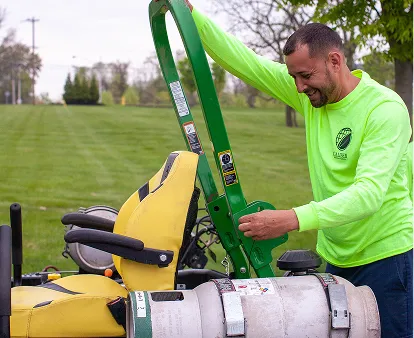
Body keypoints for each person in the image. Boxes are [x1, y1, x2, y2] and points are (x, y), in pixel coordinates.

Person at [161, 1, 413, 337]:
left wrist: (290, 219)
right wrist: (193, 19)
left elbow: (368, 195)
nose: (297, 87)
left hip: (387, 257)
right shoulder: (311, 97)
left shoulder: (383, 109)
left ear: (335, 61)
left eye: (305, 76)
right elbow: (246, 62)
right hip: (338, 256)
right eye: (293, 76)